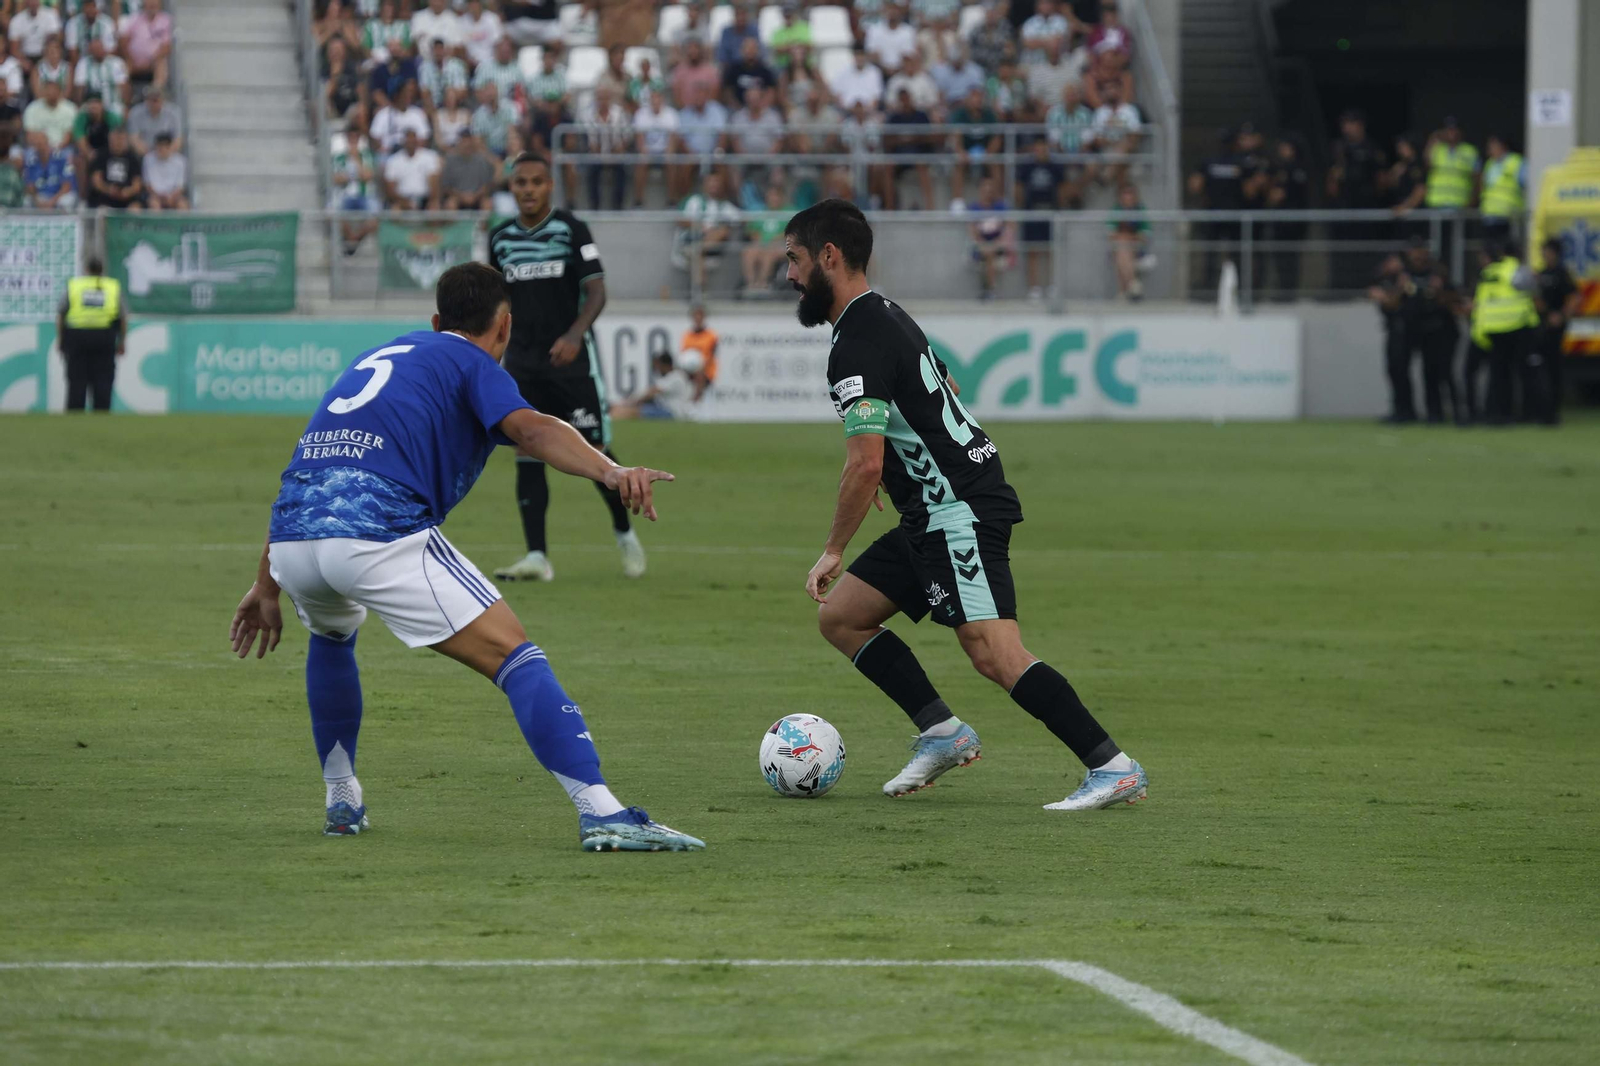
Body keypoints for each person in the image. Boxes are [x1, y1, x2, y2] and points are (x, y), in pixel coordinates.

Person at [227, 263, 703, 852]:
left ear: (434, 321)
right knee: (517, 657)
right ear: (503, 327)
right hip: (377, 530)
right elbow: (531, 429)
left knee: (331, 637)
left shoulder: (383, 356)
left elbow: (311, 468)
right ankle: (601, 810)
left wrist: (267, 583)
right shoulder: (471, 361)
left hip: (295, 538)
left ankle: (342, 800)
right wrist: (610, 470)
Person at [782, 199, 1147, 809]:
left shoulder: (856, 340)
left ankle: (1113, 767)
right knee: (842, 618)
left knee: (994, 652)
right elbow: (940, 386)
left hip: (959, 509)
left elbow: (865, 459)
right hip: (933, 505)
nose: (788, 276)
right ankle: (943, 733)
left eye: (793, 260)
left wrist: (834, 547)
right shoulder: (885, 314)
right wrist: (896, 468)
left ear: (829, 256)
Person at [488, 154, 645, 583]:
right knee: (527, 453)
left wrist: (575, 335)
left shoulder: (571, 229)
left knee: (594, 451)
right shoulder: (499, 237)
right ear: (512, 187)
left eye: (536, 181)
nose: (528, 189)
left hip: (571, 366)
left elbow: (596, 292)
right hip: (522, 364)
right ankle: (537, 556)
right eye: (520, 182)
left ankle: (624, 532)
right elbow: (496, 304)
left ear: (549, 186)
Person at [1466, 240, 1539, 426]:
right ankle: (1523, 414)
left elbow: (1483, 304)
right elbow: (1534, 293)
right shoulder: (1516, 270)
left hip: (1495, 331)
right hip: (1517, 327)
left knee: (1500, 375)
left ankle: (1498, 414)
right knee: (1518, 374)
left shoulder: (1490, 273)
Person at [1397, 239, 1462, 424]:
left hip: (1438, 330)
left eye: (1421, 251)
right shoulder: (1404, 274)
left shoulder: (1438, 273)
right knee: (1406, 371)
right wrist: (1399, 288)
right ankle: (1409, 412)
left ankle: (1452, 412)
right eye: (1414, 252)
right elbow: (1392, 302)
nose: (1418, 256)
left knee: (1440, 373)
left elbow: (1455, 298)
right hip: (1412, 330)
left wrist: (1438, 291)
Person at [56, 255, 125, 412]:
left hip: (77, 336)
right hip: (105, 337)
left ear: (86, 269)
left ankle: (75, 414)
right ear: (102, 270)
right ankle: (101, 414)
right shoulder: (112, 286)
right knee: (103, 379)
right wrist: (122, 341)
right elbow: (123, 317)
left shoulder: (75, 285)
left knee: (76, 379)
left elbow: (61, 314)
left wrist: (61, 339)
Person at [1532, 237, 1578, 425]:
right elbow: (1536, 297)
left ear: (1554, 252)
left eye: (1546, 250)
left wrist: (1561, 315)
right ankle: (1542, 411)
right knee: (1540, 370)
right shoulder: (1541, 273)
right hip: (1540, 326)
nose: (1544, 253)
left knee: (1553, 370)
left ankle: (1553, 413)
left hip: (1555, 330)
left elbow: (1574, 296)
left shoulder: (1561, 273)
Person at [1014, 136, 1063, 301]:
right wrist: (1021, 207)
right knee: (1032, 250)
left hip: (1049, 210)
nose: (1040, 151)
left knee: (1050, 249)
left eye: (1043, 148)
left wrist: (1060, 207)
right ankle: (1034, 287)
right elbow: (1019, 187)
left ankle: (1051, 286)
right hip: (1032, 211)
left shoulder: (1055, 167)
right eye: (1038, 148)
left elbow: (1062, 188)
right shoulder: (1027, 166)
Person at [1367, 254, 1413, 423]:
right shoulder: (1384, 281)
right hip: (1393, 330)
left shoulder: (1406, 280)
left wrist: (1399, 289)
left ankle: (1406, 411)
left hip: (1403, 331)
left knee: (1401, 370)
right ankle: (1399, 409)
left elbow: (1392, 302)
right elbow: (1384, 299)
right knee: (1393, 371)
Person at [610, 349, 701, 421]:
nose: (656, 368)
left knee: (633, 412)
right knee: (631, 409)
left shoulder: (676, 377)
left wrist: (630, 402)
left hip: (672, 413)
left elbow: (653, 392)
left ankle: (611, 418)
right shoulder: (674, 377)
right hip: (666, 409)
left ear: (664, 365)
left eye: (658, 365)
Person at [967, 176, 1014, 300]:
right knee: (987, 252)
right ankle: (990, 289)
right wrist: (982, 244)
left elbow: (1009, 228)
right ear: (980, 191)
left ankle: (989, 290)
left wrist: (998, 243)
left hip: (999, 246)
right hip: (981, 246)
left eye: (990, 190)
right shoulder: (975, 208)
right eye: (985, 189)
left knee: (991, 252)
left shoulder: (1001, 207)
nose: (988, 192)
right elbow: (973, 231)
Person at [742, 179, 791, 295]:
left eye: (776, 196)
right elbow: (751, 230)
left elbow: (793, 232)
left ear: (781, 197)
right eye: (770, 195)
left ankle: (762, 284)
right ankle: (751, 284)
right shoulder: (761, 212)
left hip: (782, 245)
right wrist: (756, 236)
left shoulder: (789, 211)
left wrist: (779, 237)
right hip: (762, 244)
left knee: (769, 253)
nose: (773, 198)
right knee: (748, 252)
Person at [1107, 181, 1151, 301]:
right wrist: (1126, 237)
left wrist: (1126, 237)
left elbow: (1144, 235)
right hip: (1120, 248)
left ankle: (1123, 291)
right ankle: (1133, 284)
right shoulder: (1116, 210)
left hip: (1138, 249)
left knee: (1123, 250)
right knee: (1122, 250)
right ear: (1121, 197)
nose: (1128, 197)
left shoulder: (1140, 210)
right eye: (1125, 194)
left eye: (1130, 194)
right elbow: (1110, 234)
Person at [1478, 133, 1525, 244]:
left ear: (1502, 146)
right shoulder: (1489, 164)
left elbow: (1527, 186)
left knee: (1507, 250)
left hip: (1509, 217)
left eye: (1492, 146)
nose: (1489, 150)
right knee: (1491, 249)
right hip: (1490, 217)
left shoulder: (1516, 162)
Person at [678, 303, 718, 398]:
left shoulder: (711, 335)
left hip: (706, 372)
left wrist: (700, 367)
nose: (698, 318)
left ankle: (696, 399)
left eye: (700, 315)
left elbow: (711, 355)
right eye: (695, 315)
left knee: (700, 377)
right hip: (689, 371)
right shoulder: (687, 335)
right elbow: (684, 354)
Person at [142, 131, 188, 210]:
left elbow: (180, 187)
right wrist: (159, 197)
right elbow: (147, 185)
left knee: (183, 205)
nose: (162, 149)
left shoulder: (180, 161)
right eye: (160, 146)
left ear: (170, 146)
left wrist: (171, 197)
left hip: (174, 196)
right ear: (156, 146)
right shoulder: (148, 159)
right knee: (154, 204)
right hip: (155, 196)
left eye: (165, 146)